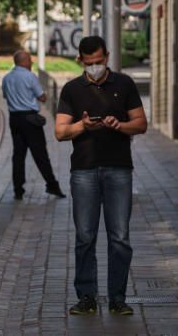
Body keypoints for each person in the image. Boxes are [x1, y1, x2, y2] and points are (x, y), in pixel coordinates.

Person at [54, 36, 147, 315]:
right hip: (83, 171)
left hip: (119, 169)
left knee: (119, 236)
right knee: (85, 236)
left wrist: (119, 125)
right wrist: (82, 126)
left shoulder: (124, 84)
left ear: (107, 55)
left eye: (99, 61)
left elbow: (141, 124)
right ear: (80, 60)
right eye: (89, 62)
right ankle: (87, 297)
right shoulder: (71, 89)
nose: (95, 67)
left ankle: (118, 298)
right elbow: (60, 132)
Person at [2, 50, 65, 200]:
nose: (32, 63)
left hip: (15, 119)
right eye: (30, 60)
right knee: (40, 154)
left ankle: (18, 189)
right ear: (23, 61)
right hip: (30, 119)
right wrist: (44, 96)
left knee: (18, 155)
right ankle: (52, 185)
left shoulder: (6, 78)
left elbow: (5, 96)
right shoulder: (30, 76)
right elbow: (42, 97)